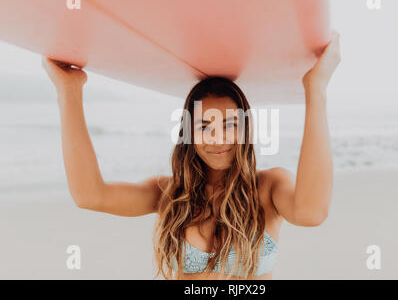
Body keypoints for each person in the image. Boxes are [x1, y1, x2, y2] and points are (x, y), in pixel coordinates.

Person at [41, 30, 341, 280]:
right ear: (188, 133)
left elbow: (311, 213)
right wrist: (69, 92)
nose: (218, 137)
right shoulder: (170, 193)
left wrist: (316, 89)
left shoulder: (269, 187)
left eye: (230, 124)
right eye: (204, 125)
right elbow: (90, 195)